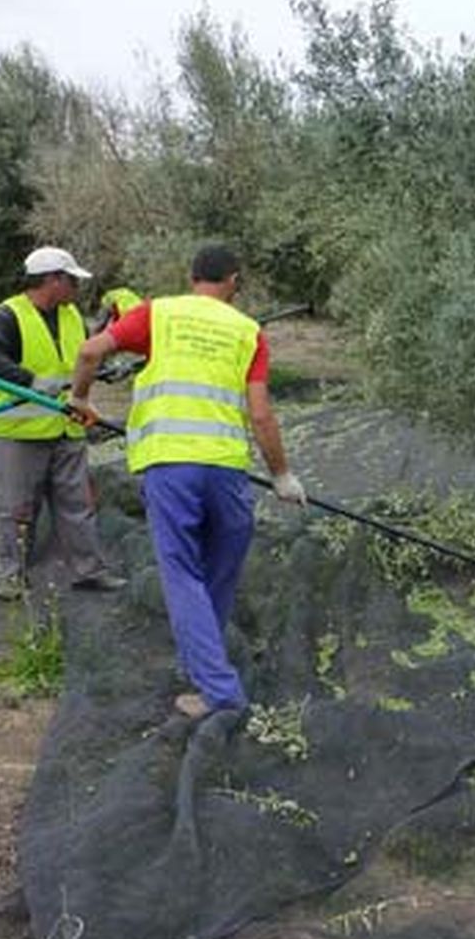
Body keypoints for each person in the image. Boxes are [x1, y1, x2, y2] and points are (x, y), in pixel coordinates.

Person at [70, 244, 306, 720]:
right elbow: (260, 413)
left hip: (170, 464)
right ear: (233, 281)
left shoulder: (159, 314)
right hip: (226, 469)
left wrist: (80, 398)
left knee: (182, 575)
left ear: (192, 275)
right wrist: (282, 475)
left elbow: (90, 350)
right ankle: (206, 674)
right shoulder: (247, 332)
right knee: (218, 574)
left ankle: (218, 691)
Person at [0, 246, 123, 600]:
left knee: (78, 506)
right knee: (16, 509)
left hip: (66, 427)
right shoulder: (7, 316)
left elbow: (82, 357)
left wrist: (104, 370)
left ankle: (89, 571)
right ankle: (11, 576)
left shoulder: (71, 315)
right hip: (19, 432)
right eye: (72, 280)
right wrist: (31, 382)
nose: (76, 288)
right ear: (52, 280)